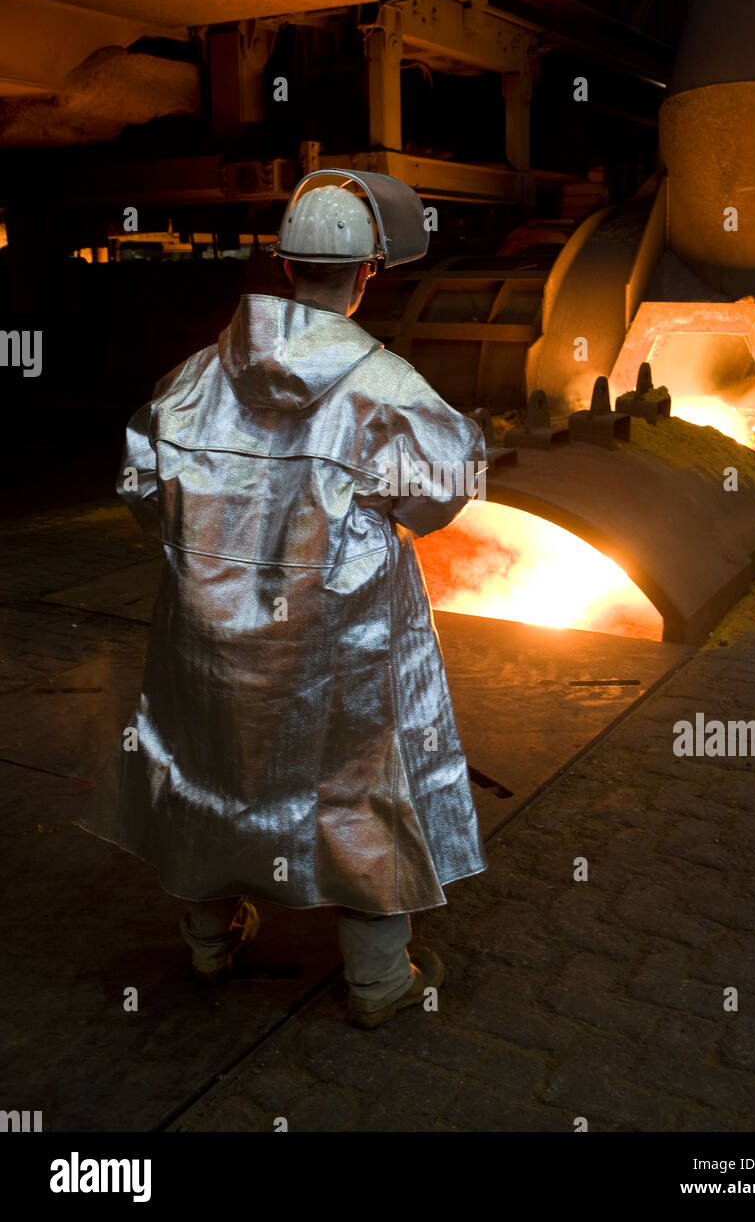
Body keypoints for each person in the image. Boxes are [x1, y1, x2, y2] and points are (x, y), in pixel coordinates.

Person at [78, 173, 487, 1029]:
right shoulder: (388, 389)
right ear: (370, 271)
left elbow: (140, 486)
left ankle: (209, 942)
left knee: (207, 765)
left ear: (282, 263)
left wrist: (211, 558)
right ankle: (378, 979)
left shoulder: (193, 378)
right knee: (355, 777)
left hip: (207, 632)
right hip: (340, 640)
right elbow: (443, 494)